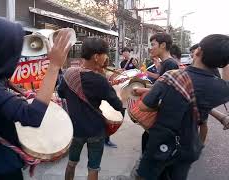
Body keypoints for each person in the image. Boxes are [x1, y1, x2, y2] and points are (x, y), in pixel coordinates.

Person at [0, 16, 72, 180]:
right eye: (14, 50)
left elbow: (3, 86)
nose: (17, 56)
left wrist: (26, 94)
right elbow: (32, 116)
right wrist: (54, 66)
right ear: (1, 50)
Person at [134, 34, 229, 180]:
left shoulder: (171, 76)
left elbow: (144, 107)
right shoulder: (220, 88)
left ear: (198, 51)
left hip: (162, 143)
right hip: (188, 146)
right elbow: (197, 100)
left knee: (145, 176)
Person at [58, 37, 125, 180]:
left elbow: (61, 93)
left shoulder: (69, 74)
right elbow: (117, 105)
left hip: (75, 129)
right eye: (105, 54)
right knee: (93, 168)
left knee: (71, 163)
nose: (107, 58)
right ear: (96, 57)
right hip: (95, 131)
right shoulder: (99, 80)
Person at [141, 33, 179, 153]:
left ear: (163, 45)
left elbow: (168, 91)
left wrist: (144, 90)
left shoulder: (170, 64)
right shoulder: (165, 63)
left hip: (165, 117)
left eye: (153, 44)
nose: (150, 48)